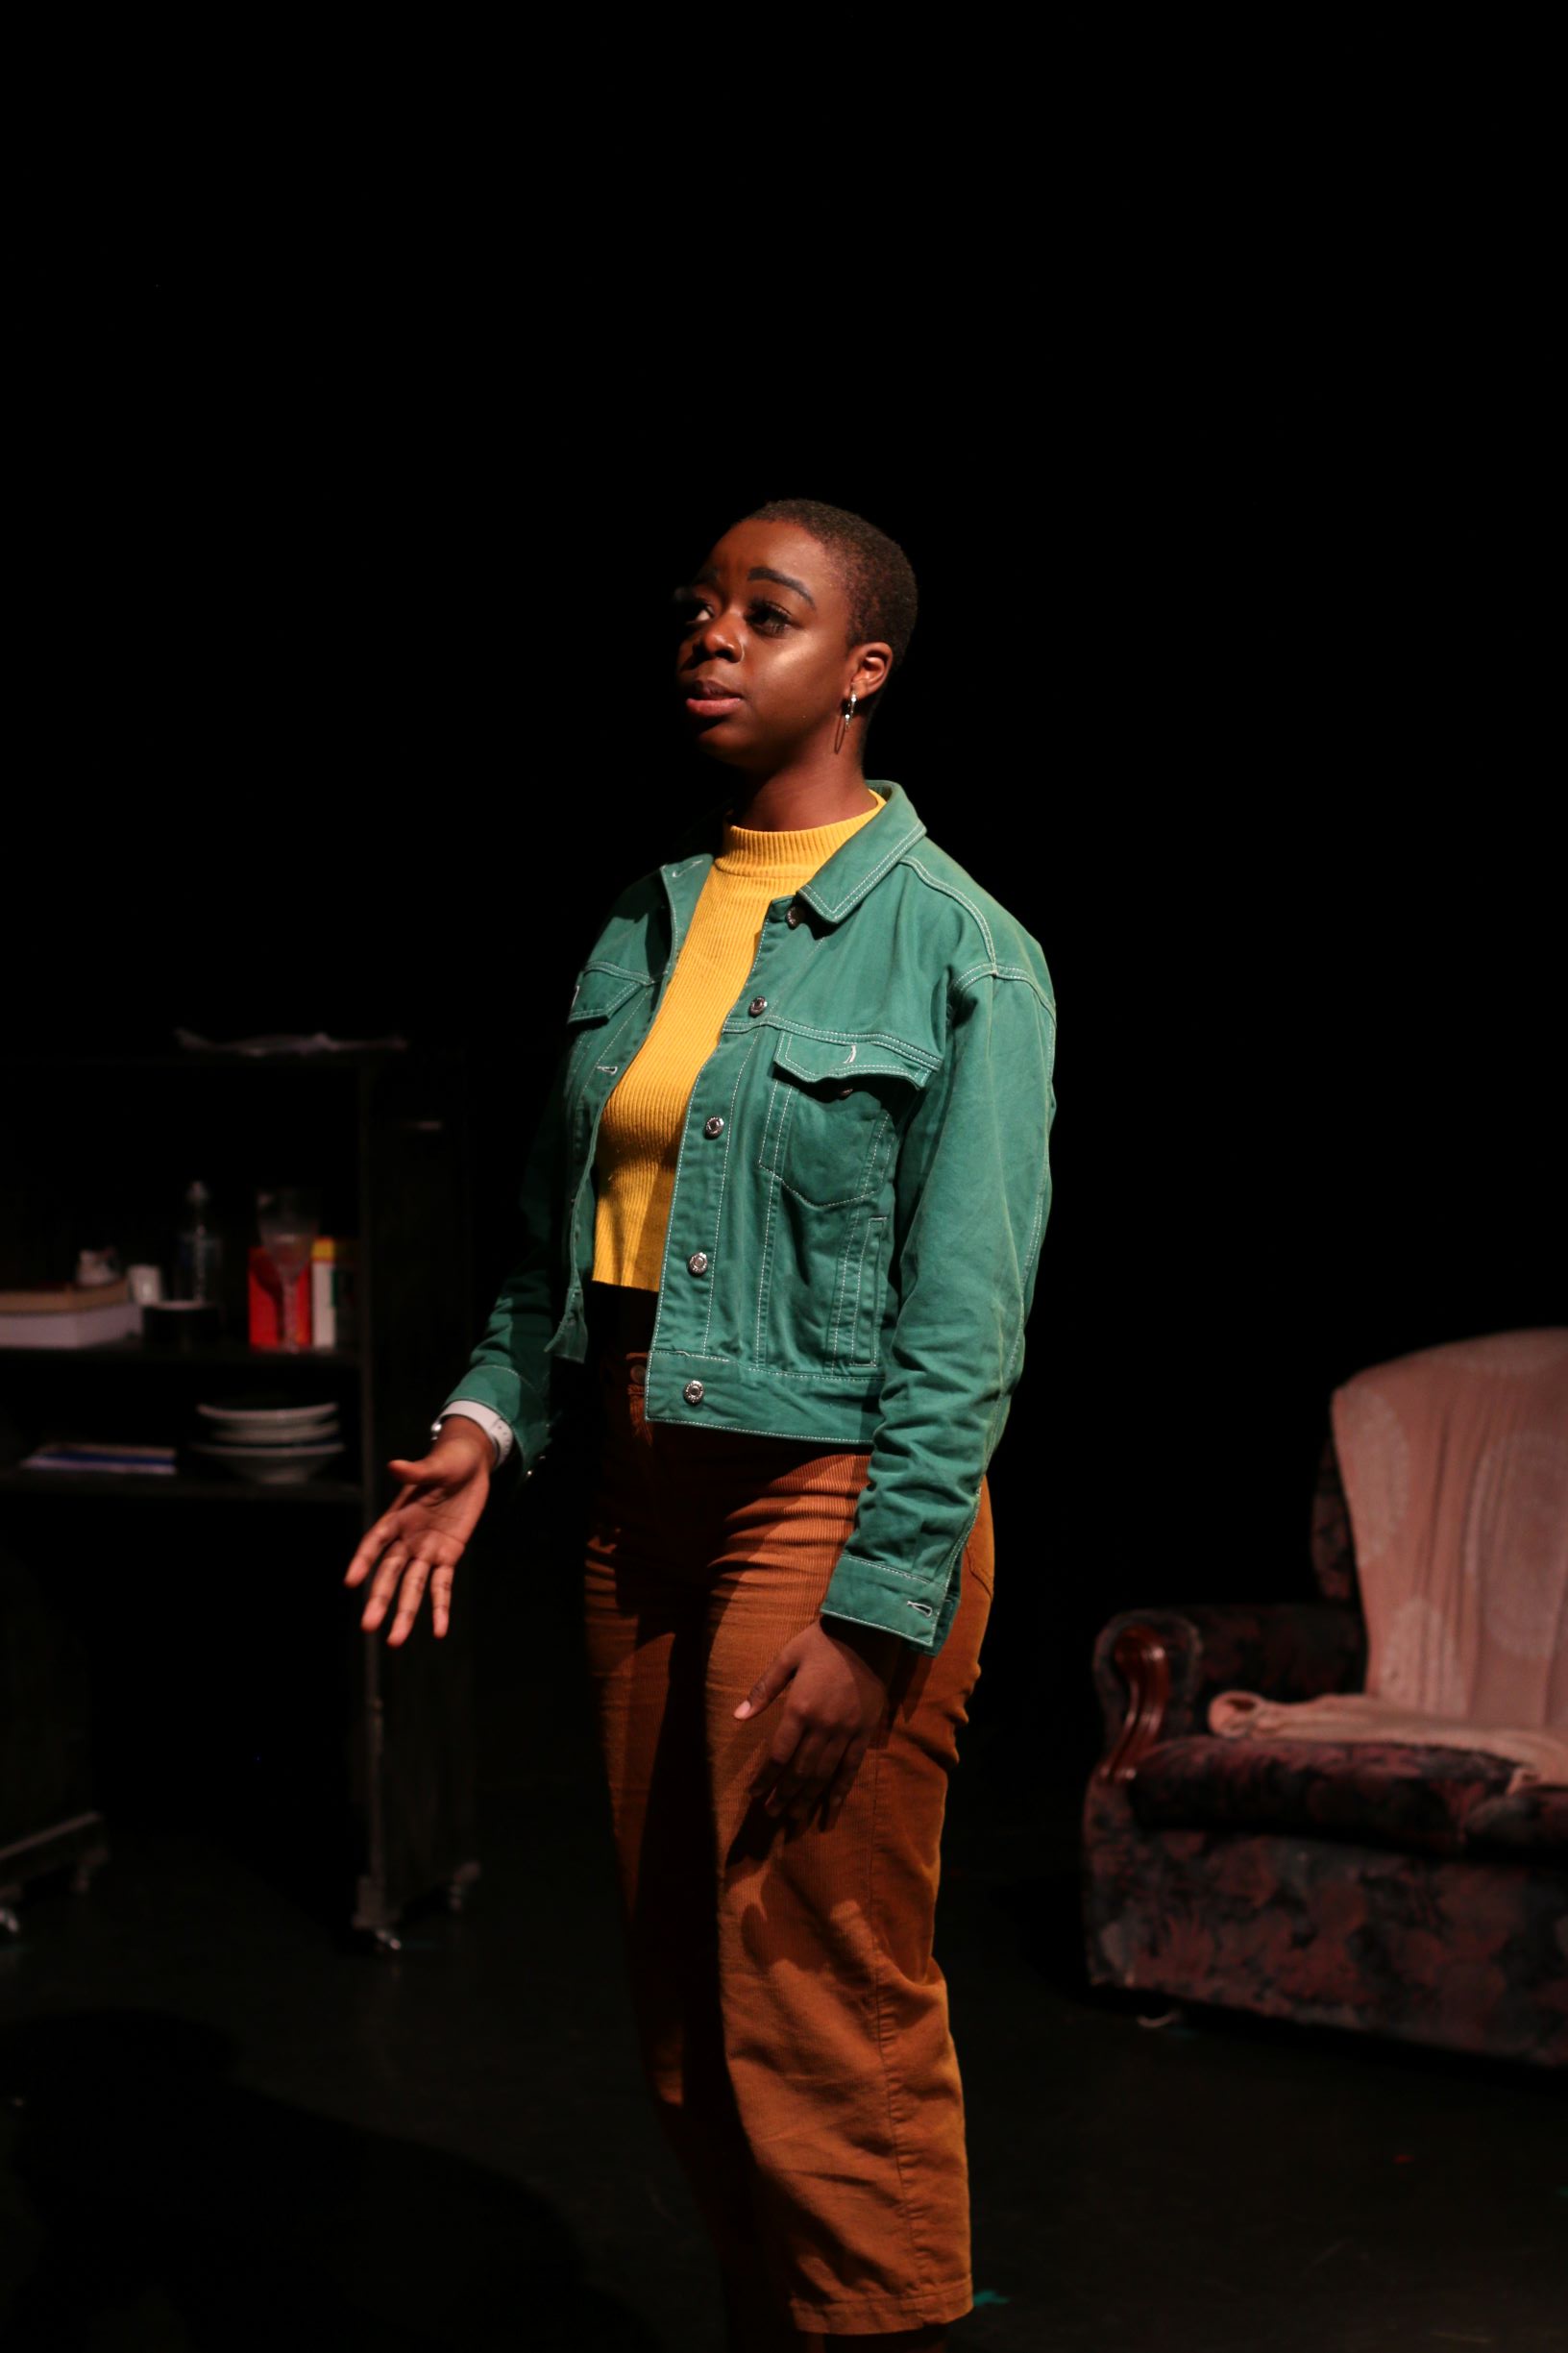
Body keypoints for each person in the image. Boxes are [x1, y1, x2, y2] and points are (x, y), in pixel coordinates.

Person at [343, 498, 1057, 2351]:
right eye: (701, 606)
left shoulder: (962, 949)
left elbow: (966, 1328)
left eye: (769, 611)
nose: (713, 635)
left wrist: (880, 1607)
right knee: (688, 2010)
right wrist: (486, 1422)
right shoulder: (645, 920)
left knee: (816, 2000)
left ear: (864, 669)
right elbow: (555, 1247)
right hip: (637, 1500)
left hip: (826, 1499)